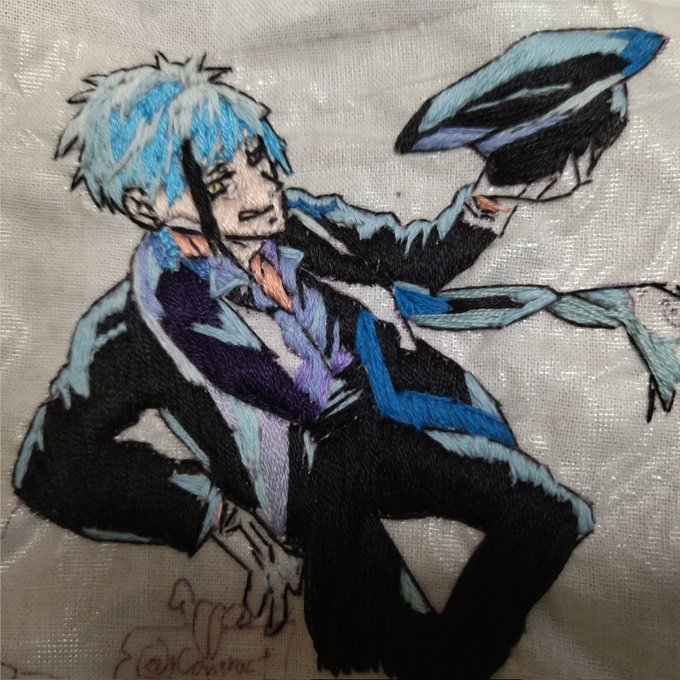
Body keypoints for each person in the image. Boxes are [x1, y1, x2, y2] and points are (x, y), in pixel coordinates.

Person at [12, 54, 601, 680]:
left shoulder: (305, 224)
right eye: (221, 182)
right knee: (368, 651)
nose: (261, 193)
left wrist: (495, 196)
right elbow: (52, 465)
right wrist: (211, 513)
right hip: (307, 488)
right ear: (143, 203)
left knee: (550, 514)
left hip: (387, 423)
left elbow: (411, 258)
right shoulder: (139, 320)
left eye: (259, 162)